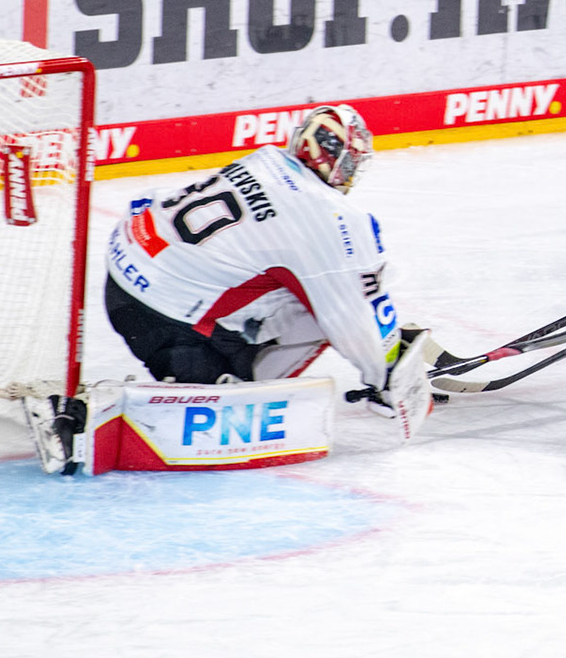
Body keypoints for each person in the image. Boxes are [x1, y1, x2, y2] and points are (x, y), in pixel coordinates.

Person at [104, 105, 439, 428]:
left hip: (123, 280)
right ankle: (226, 384)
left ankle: (217, 364)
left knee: (298, 283)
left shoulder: (266, 159)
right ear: (340, 162)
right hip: (168, 322)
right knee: (329, 298)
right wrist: (388, 380)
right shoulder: (328, 215)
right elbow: (349, 315)